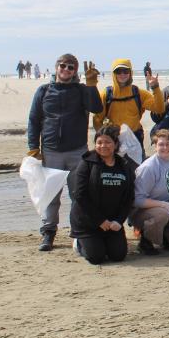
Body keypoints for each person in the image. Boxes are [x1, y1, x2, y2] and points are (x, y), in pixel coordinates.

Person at [27, 54, 102, 251]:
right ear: (56, 67)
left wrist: (92, 85)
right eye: (63, 66)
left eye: (70, 67)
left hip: (77, 151)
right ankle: (48, 232)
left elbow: (96, 107)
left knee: (79, 194)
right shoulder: (43, 91)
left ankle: (77, 232)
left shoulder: (81, 90)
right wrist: (33, 148)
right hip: (51, 151)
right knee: (51, 195)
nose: (66, 70)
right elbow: (34, 121)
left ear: (75, 71)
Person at [69, 126, 137, 265]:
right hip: (89, 222)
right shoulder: (87, 163)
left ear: (116, 144)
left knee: (118, 256)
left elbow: (129, 197)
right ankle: (79, 243)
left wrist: (119, 221)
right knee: (96, 258)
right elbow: (80, 195)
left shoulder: (123, 165)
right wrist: (100, 221)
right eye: (99, 142)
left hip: (112, 223)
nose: (103, 146)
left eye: (107, 142)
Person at [131, 129, 169, 255]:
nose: (165, 147)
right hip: (141, 211)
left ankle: (163, 236)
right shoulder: (149, 167)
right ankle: (145, 241)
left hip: (168, 206)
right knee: (161, 215)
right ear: (155, 146)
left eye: (168, 144)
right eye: (161, 144)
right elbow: (137, 200)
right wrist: (164, 205)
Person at [92, 59, 165, 150]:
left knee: (137, 164)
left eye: (126, 71)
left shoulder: (139, 93)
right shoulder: (106, 94)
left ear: (130, 72)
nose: (122, 74)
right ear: (114, 73)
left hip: (135, 137)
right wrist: (103, 137)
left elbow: (159, 109)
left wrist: (155, 88)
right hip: (114, 139)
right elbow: (97, 118)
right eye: (118, 71)